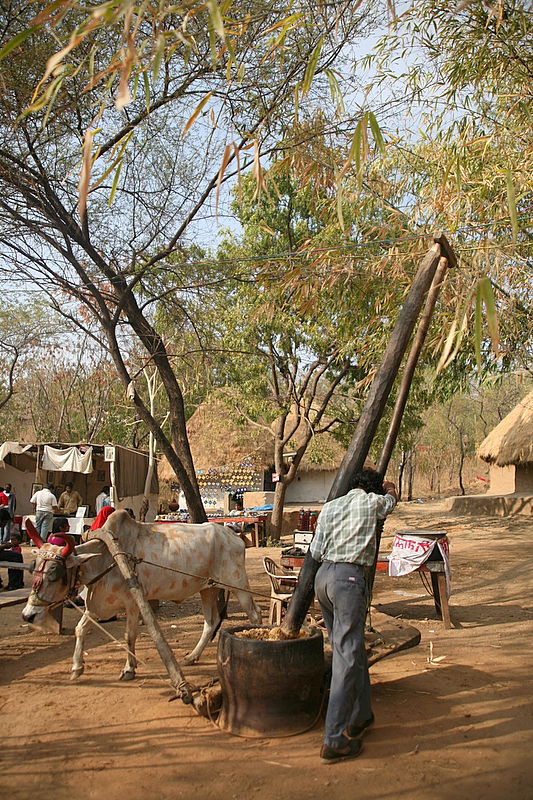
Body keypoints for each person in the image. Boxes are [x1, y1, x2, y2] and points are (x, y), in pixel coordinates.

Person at [310, 468, 398, 764]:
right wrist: (392, 490)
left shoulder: (331, 507)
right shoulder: (373, 503)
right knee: (347, 656)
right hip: (348, 580)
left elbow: (315, 550)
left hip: (323, 579)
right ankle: (333, 738)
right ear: (371, 490)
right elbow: (390, 502)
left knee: (348, 649)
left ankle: (361, 715)